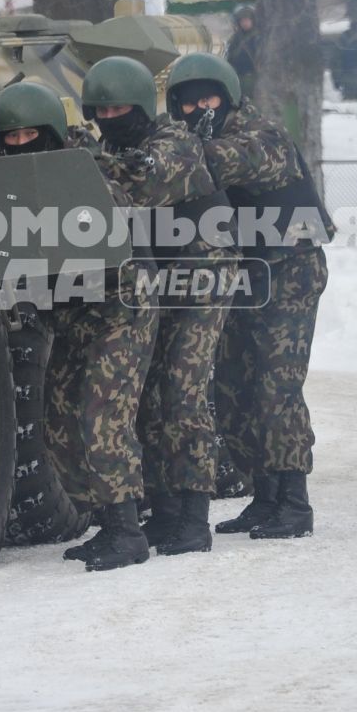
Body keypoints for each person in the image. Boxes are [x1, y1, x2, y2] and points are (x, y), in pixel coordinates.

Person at [0, 82, 160, 571]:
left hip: (119, 307)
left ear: (52, 132)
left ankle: (127, 530)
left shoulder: (89, 166)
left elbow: (122, 199)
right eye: (9, 139)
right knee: (56, 427)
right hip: (70, 313)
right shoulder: (5, 174)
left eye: (30, 135)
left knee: (103, 417)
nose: (20, 146)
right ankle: (105, 517)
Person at [164, 51, 329, 540]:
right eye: (188, 104)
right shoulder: (191, 142)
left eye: (209, 98)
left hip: (290, 272)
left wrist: (183, 153)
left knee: (277, 389)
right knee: (232, 392)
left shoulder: (262, 135)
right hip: (241, 276)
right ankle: (264, 494)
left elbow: (240, 160)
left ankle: (293, 501)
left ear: (229, 96)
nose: (200, 110)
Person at [80, 55, 229, 557]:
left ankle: (193, 514)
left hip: (201, 270)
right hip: (153, 276)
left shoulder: (175, 143)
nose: (111, 117)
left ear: (142, 104)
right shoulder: (107, 148)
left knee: (183, 392)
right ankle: (164, 508)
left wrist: (89, 164)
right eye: (102, 110)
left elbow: (145, 180)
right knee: (148, 399)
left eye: (121, 106)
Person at [225, 3, 262, 96]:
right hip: (239, 75)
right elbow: (230, 56)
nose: (244, 23)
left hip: (255, 75)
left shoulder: (258, 37)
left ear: (252, 21)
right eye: (242, 21)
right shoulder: (236, 38)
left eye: (247, 20)